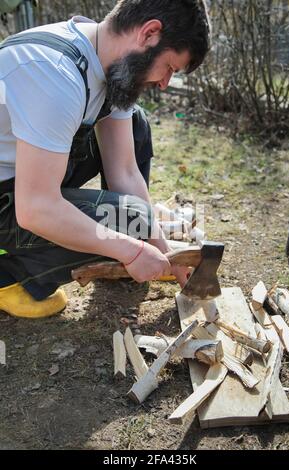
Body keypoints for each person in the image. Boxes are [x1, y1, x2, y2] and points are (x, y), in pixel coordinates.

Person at [0, 0, 211, 318]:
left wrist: (165, 253)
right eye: (169, 68)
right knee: (129, 219)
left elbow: (124, 171)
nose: (165, 84)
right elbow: (35, 209)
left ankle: (117, 238)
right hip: (17, 199)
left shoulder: (111, 63)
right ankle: (9, 274)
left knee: (136, 124)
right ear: (149, 33)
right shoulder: (53, 74)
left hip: (22, 178)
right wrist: (131, 247)